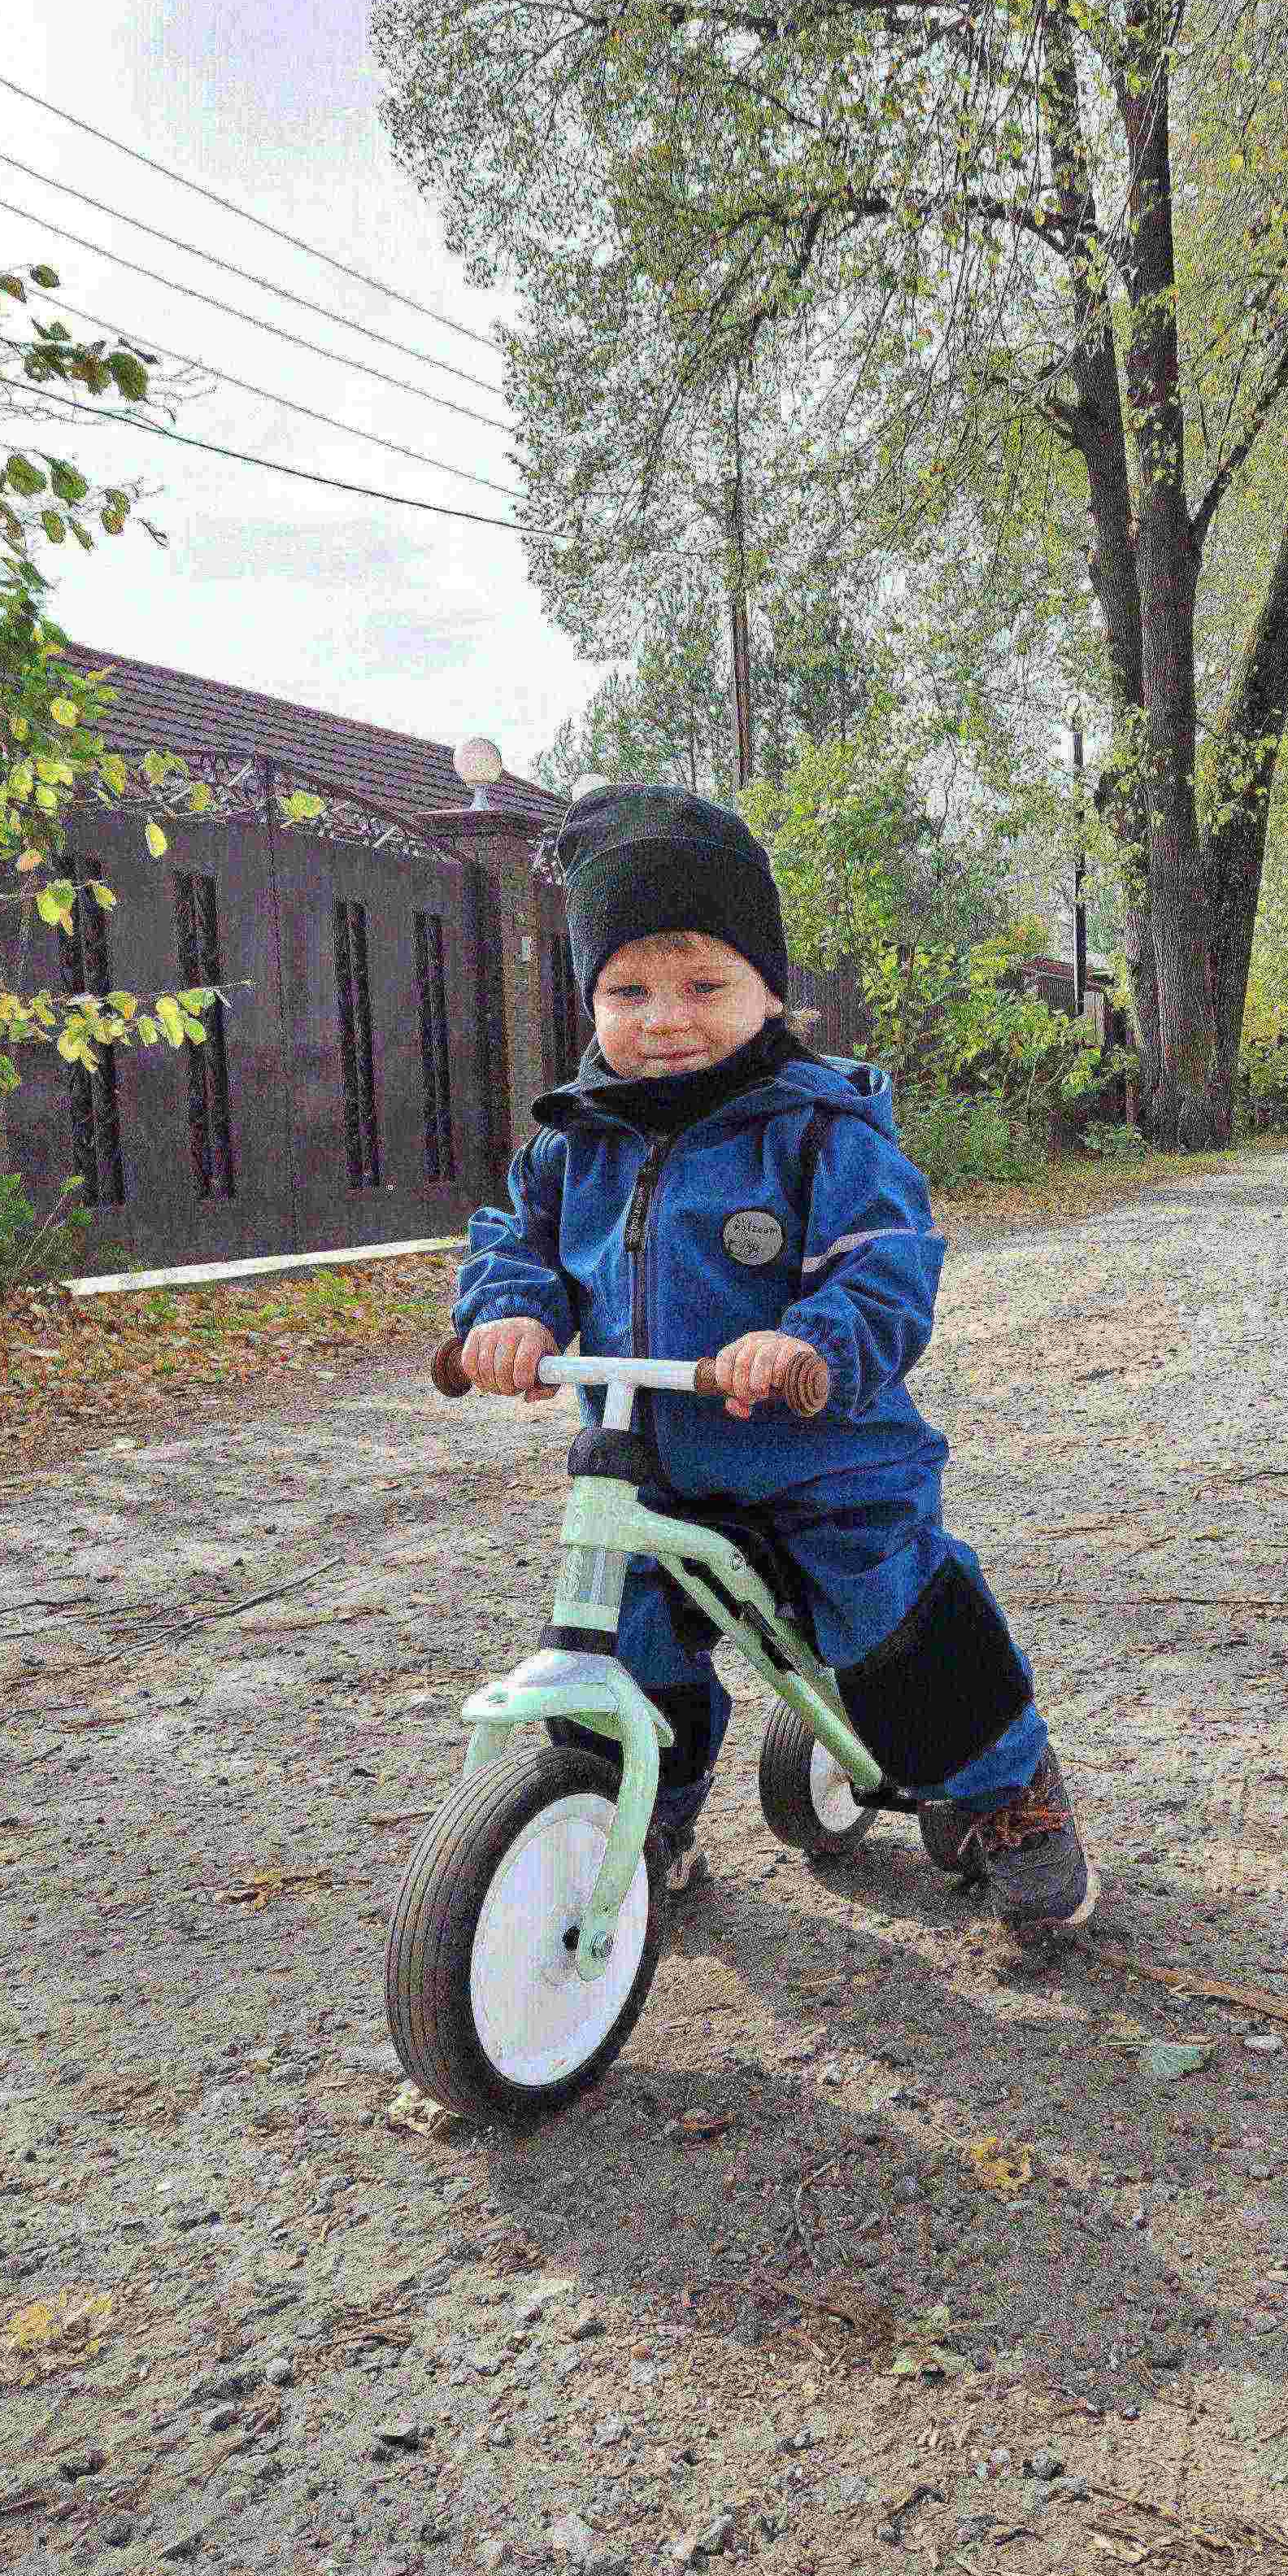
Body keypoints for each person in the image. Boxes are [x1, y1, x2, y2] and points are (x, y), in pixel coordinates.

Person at [452, 781, 1094, 1933]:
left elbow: (884, 1263)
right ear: (589, 999)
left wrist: (809, 1341)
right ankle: (630, 1810)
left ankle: (1007, 1792)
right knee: (616, 1637)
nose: (666, 1018)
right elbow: (519, 1246)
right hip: (646, 1458)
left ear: (770, 993)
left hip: (825, 1459)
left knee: (898, 1627)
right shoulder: (571, 1141)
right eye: (628, 990)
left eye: (706, 986)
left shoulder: (820, 1129)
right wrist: (511, 1317)